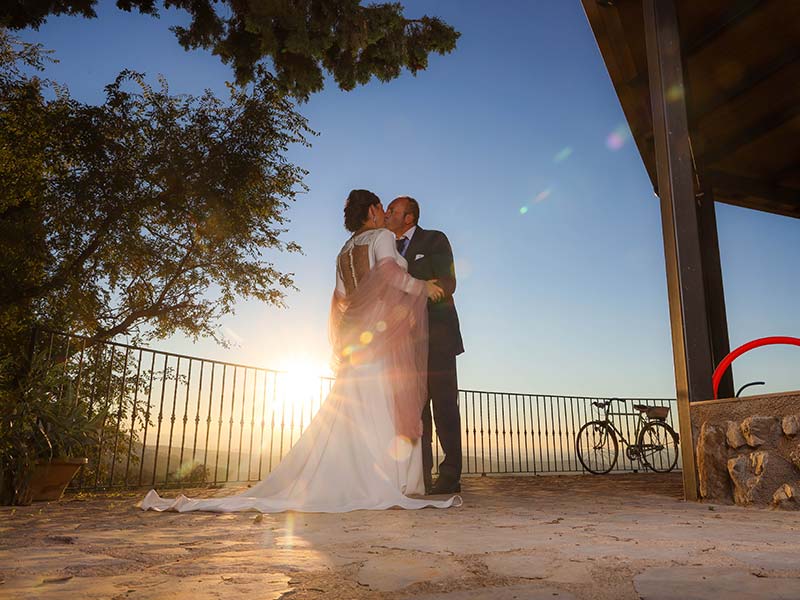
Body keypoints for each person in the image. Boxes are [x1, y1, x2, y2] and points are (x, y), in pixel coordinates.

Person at [140, 190, 460, 513]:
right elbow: (390, 275)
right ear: (373, 210)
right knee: (380, 405)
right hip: (380, 340)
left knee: (354, 409)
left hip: (358, 340)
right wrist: (421, 287)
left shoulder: (344, 251)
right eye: (382, 207)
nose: (385, 213)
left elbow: (340, 299)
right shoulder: (380, 237)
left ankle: (351, 476)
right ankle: (380, 480)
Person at [385, 196, 464, 494]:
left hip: (438, 338)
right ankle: (421, 475)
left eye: (393, 210)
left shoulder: (434, 239)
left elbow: (447, 283)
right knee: (416, 412)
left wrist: (406, 282)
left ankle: (450, 475)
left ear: (409, 217)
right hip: (405, 343)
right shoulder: (385, 249)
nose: (387, 213)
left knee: (444, 408)